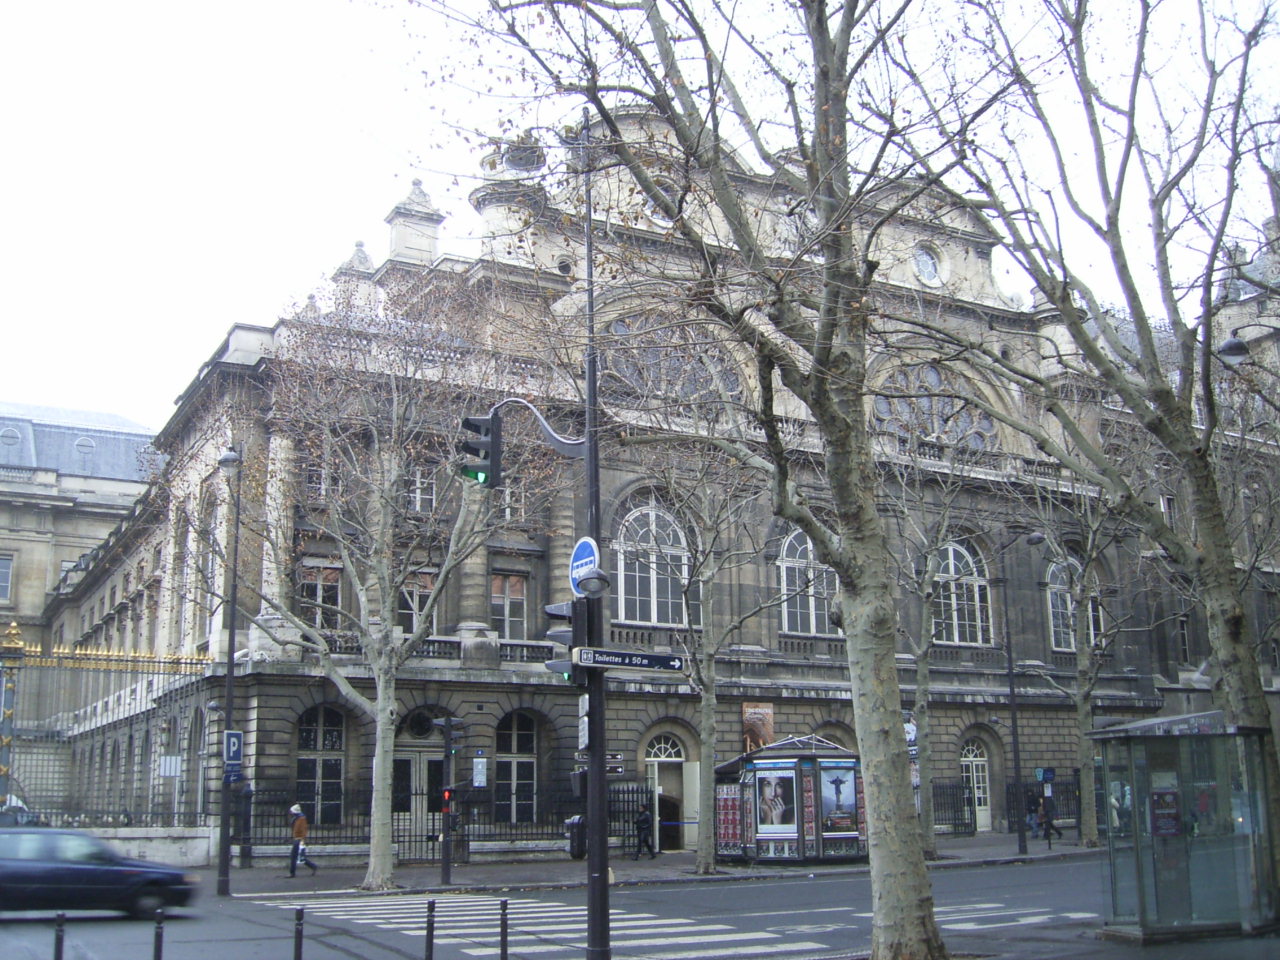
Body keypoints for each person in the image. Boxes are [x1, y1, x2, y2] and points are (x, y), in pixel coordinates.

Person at [289, 803, 318, 877]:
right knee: (298, 857)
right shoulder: (297, 818)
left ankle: (293, 873)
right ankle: (313, 866)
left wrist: (302, 840)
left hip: (299, 840)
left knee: (295, 857)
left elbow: (303, 830)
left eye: (292, 811)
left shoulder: (301, 819)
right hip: (297, 839)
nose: (291, 813)